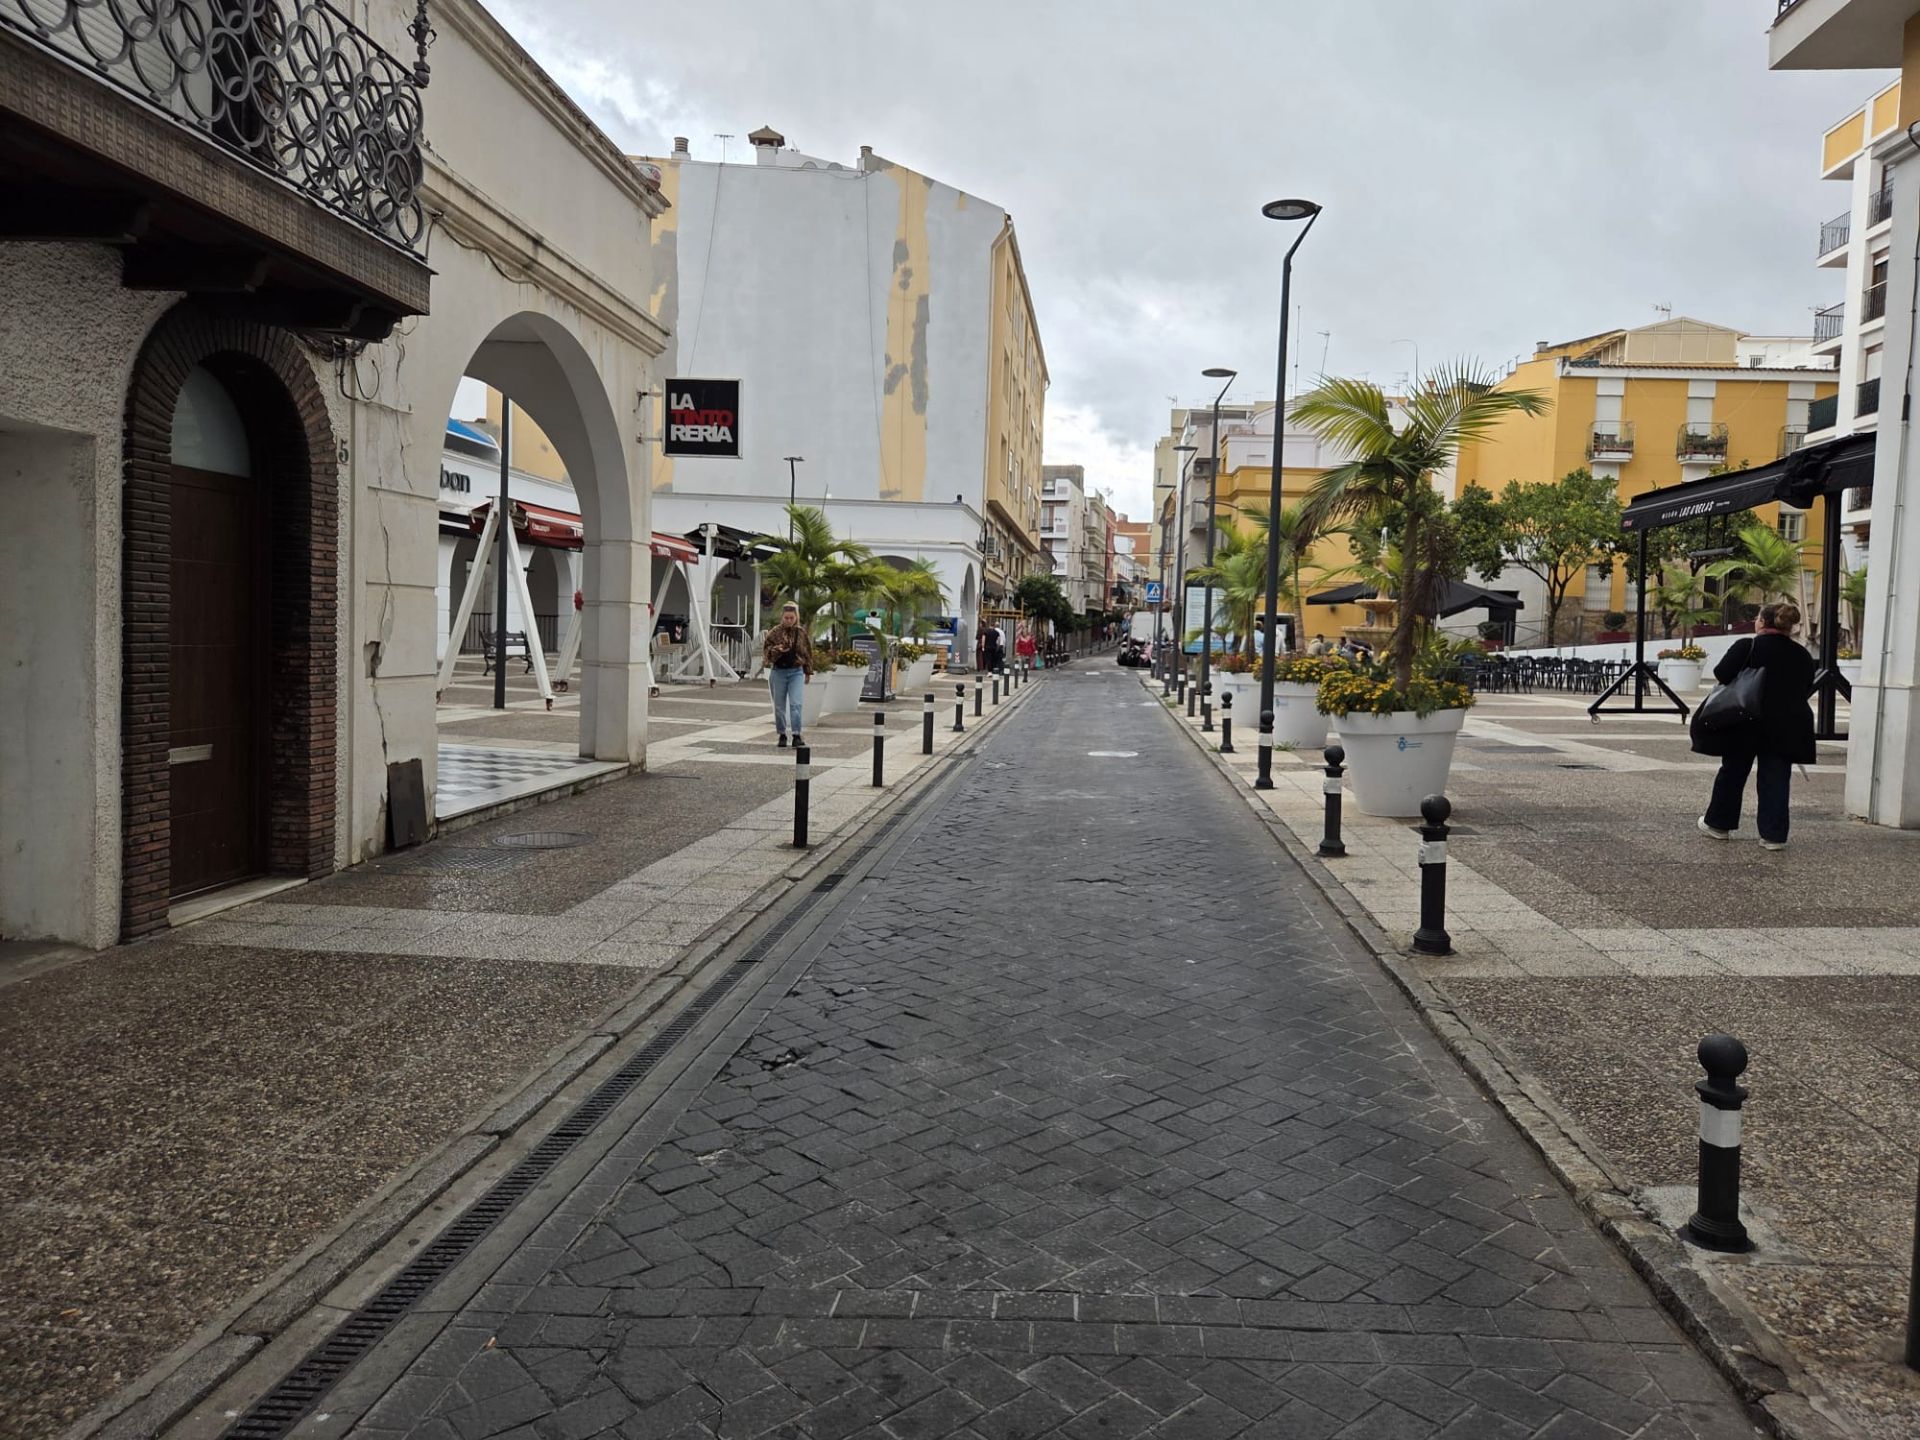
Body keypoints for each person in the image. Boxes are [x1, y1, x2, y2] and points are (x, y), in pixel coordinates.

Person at [1693, 600, 1815, 850]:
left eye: (1758, 618)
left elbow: (1722, 673)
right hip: (1785, 725)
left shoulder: (1747, 646)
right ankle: (1773, 836)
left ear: (1763, 622)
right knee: (1776, 777)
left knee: (1733, 772)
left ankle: (1719, 824)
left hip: (1744, 720)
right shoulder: (1801, 653)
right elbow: (1806, 686)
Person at [761, 601, 812, 748]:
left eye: (792, 618)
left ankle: (796, 734)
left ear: (796, 618)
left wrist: (808, 671)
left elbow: (807, 652)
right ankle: (782, 734)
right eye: (786, 618)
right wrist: (777, 650)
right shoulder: (774, 633)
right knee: (779, 707)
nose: (789, 620)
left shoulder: (800, 633)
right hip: (778, 672)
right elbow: (766, 654)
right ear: (782, 617)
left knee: (796, 704)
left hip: (796, 671)